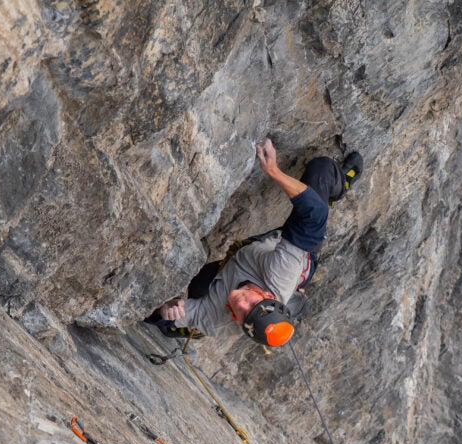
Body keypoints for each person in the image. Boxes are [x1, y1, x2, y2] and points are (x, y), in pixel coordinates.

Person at [149, 139, 363, 346]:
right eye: (253, 303)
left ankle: (193, 329)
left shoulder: (217, 321)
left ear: (241, 324)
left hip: (243, 263)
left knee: (198, 284)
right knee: (322, 171)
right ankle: (338, 186)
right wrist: (273, 171)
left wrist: (165, 310)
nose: (241, 303)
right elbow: (315, 215)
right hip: (281, 254)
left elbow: (149, 311)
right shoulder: (280, 273)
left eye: (243, 313)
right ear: (267, 295)